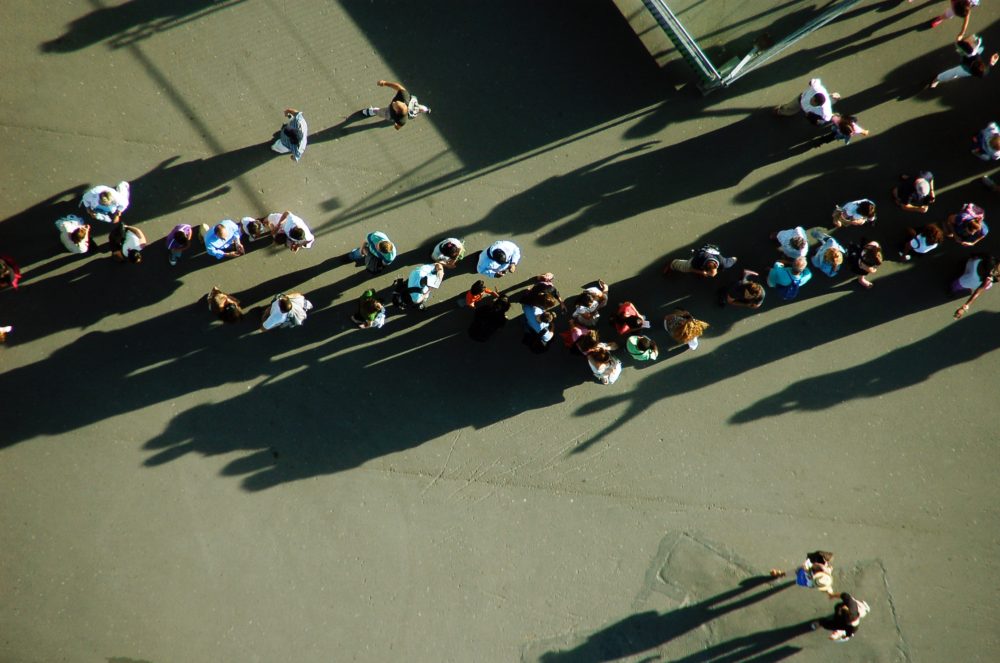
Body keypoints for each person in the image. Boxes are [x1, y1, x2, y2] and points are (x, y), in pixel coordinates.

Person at [929, 35, 998, 88]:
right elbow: (988, 66)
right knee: (975, 49)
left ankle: (937, 79)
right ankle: (938, 79)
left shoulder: (974, 70)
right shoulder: (976, 57)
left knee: (954, 73)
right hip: (968, 57)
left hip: (965, 66)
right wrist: (992, 62)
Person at [362, 80, 430, 130]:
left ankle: (373, 111)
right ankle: (426, 109)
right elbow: (398, 86)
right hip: (412, 107)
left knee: (382, 113)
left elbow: (398, 127)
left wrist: (396, 126)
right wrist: (385, 83)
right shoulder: (404, 96)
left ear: (397, 112)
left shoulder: (401, 120)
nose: (394, 102)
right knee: (418, 107)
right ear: (404, 103)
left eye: (395, 105)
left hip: (389, 113)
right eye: (397, 102)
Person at [771, 551, 836, 597]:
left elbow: (808, 566)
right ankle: (782, 574)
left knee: (797, 572)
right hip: (810, 581)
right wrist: (831, 594)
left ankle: (781, 574)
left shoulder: (819, 569)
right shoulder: (825, 578)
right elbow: (828, 587)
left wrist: (806, 567)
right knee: (798, 573)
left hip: (808, 574)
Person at [773, 78, 838, 125]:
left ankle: (834, 97)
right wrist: (811, 82)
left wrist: (818, 121)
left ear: (819, 105)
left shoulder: (824, 110)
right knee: (790, 107)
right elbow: (815, 81)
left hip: (806, 109)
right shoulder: (817, 88)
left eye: (813, 102)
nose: (811, 101)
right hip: (800, 99)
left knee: (793, 108)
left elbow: (827, 118)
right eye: (812, 98)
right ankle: (781, 111)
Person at [665, 243, 737, 278]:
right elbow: (691, 268)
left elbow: (734, 258)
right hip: (701, 257)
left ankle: (700, 275)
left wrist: (733, 259)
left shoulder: (724, 263)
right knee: (686, 267)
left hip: (711, 256)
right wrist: (702, 272)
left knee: (723, 267)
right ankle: (673, 264)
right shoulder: (699, 258)